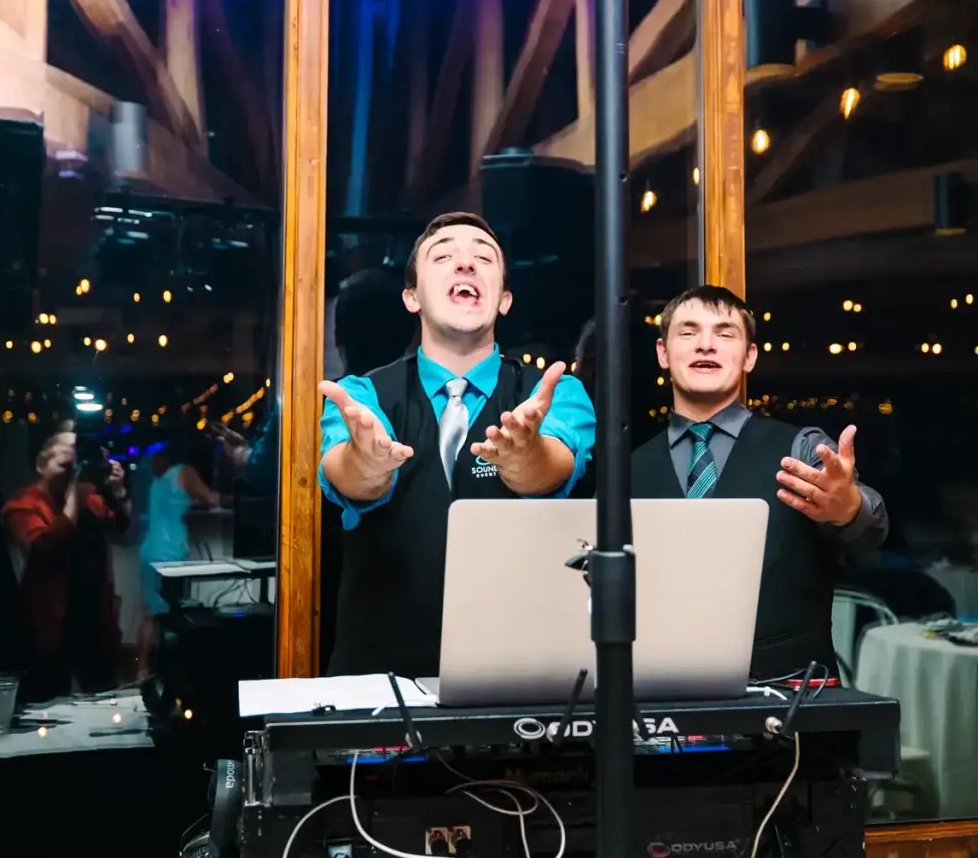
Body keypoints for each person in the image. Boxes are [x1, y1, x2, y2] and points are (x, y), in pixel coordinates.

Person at [318, 212, 596, 677]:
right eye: (444, 256)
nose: (465, 264)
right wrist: (368, 463)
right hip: (380, 690)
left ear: (504, 300)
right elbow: (349, 475)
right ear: (412, 298)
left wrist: (527, 456)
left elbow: (549, 468)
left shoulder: (555, 395)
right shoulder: (361, 398)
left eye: (483, 258)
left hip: (521, 685)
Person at [630, 285, 888, 680]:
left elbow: (871, 528)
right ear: (663, 353)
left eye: (725, 333)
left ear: (749, 357)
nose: (705, 345)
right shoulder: (628, 470)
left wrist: (849, 509)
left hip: (794, 699)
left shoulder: (802, 448)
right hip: (661, 696)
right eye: (688, 332)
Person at [2, 430, 130, 699]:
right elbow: (44, 548)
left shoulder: (89, 497)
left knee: (103, 698)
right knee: (49, 702)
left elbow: (120, 525)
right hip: (52, 623)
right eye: (64, 466)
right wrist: (73, 496)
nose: (71, 473)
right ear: (40, 465)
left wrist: (117, 493)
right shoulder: (23, 505)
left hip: (95, 620)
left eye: (76, 466)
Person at [137, 442, 221, 677]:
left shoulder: (155, 481)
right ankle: (170, 670)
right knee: (172, 614)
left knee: (150, 613)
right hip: (169, 552)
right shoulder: (184, 472)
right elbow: (211, 498)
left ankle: (142, 670)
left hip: (149, 548)